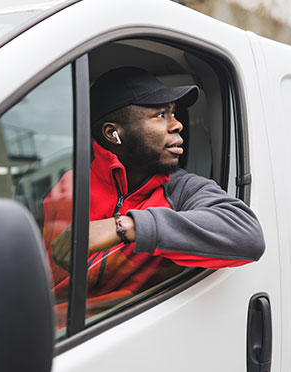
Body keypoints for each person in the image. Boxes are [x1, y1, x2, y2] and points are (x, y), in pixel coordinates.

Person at [43, 66, 265, 323]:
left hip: (123, 332)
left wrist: (125, 226)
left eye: (174, 113)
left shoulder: (182, 191)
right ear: (113, 133)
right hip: (54, 334)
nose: (178, 124)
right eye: (160, 115)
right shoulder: (68, 189)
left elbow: (249, 236)